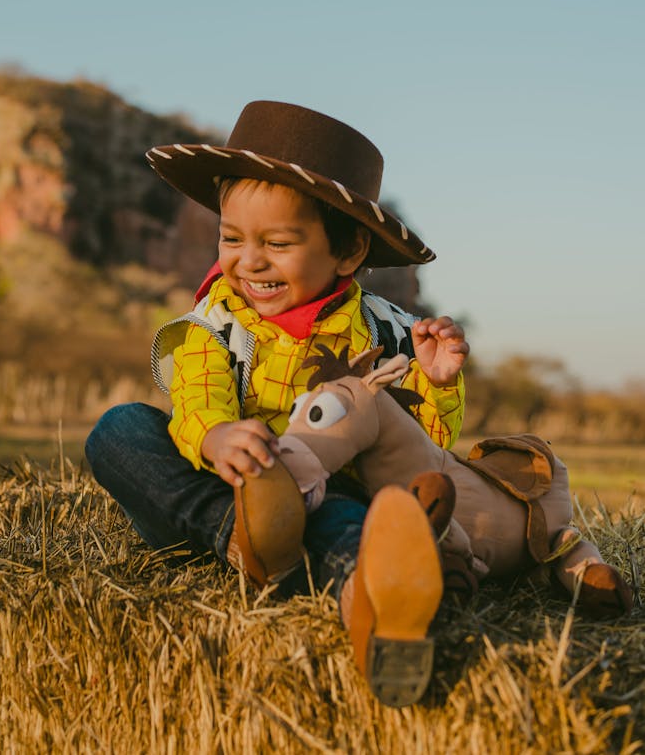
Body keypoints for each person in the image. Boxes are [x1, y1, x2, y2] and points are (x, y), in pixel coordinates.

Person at [85, 100, 469, 707]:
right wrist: (213, 436)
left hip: (323, 497)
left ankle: (370, 598)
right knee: (120, 430)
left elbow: (422, 447)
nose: (249, 261)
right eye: (231, 238)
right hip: (219, 488)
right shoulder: (211, 327)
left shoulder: (390, 334)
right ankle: (243, 539)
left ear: (348, 254)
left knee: (350, 521)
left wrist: (438, 383)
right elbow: (196, 400)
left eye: (278, 243)